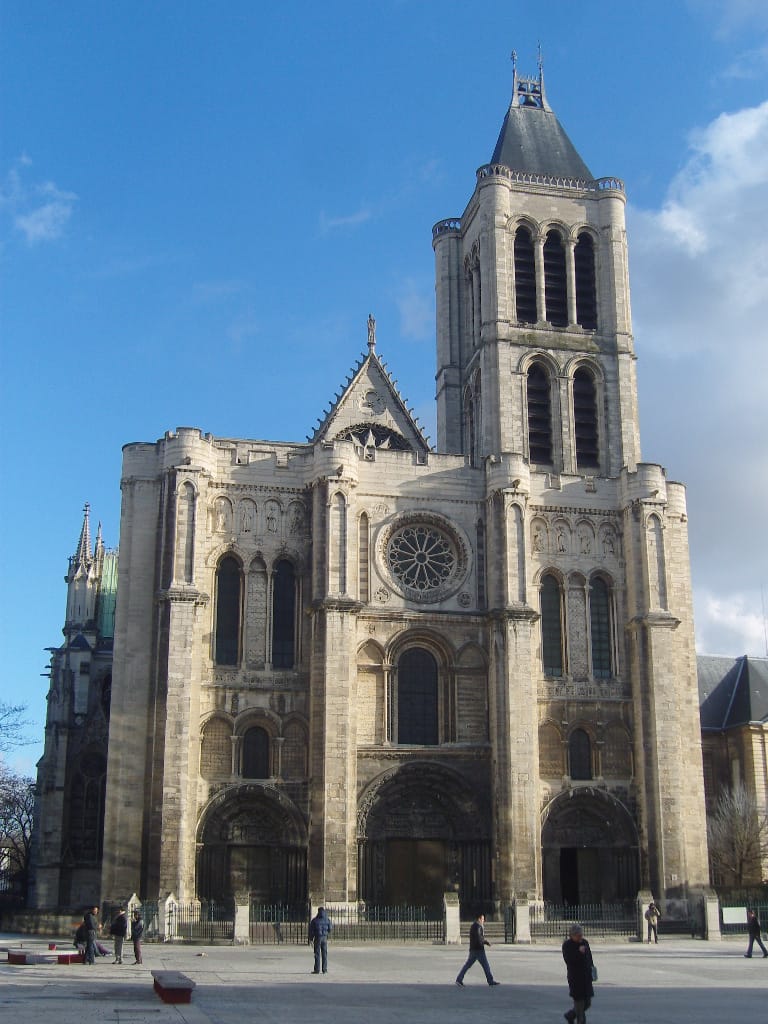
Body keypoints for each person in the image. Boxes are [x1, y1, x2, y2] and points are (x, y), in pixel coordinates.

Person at [455, 912, 500, 987]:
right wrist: (486, 942)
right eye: (482, 919)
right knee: (486, 966)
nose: (483, 920)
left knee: (467, 965)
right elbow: (479, 939)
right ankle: (490, 981)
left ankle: (459, 979)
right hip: (479, 950)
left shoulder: (473, 926)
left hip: (473, 949)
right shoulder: (479, 927)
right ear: (479, 919)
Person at [562, 923, 594, 1024]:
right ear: (572, 935)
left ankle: (570, 1015)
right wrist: (579, 952)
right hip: (576, 978)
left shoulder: (585, 942)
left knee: (587, 1003)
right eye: (578, 935)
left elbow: (589, 957)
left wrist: (592, 968)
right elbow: (569, 960)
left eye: (581, 935)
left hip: (586, 978)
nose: (580, 937)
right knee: (580, 1006)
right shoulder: (567, 945)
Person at [308, 906, 332, 974]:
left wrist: (311, 939)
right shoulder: (327, 919)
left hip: (317, 938)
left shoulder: (315, 920)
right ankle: (324, 969)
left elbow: (311, 931)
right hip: (324, 937)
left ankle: (317, 969)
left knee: (317, 954)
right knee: (324, 954)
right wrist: (326, 933)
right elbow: (330, 928)